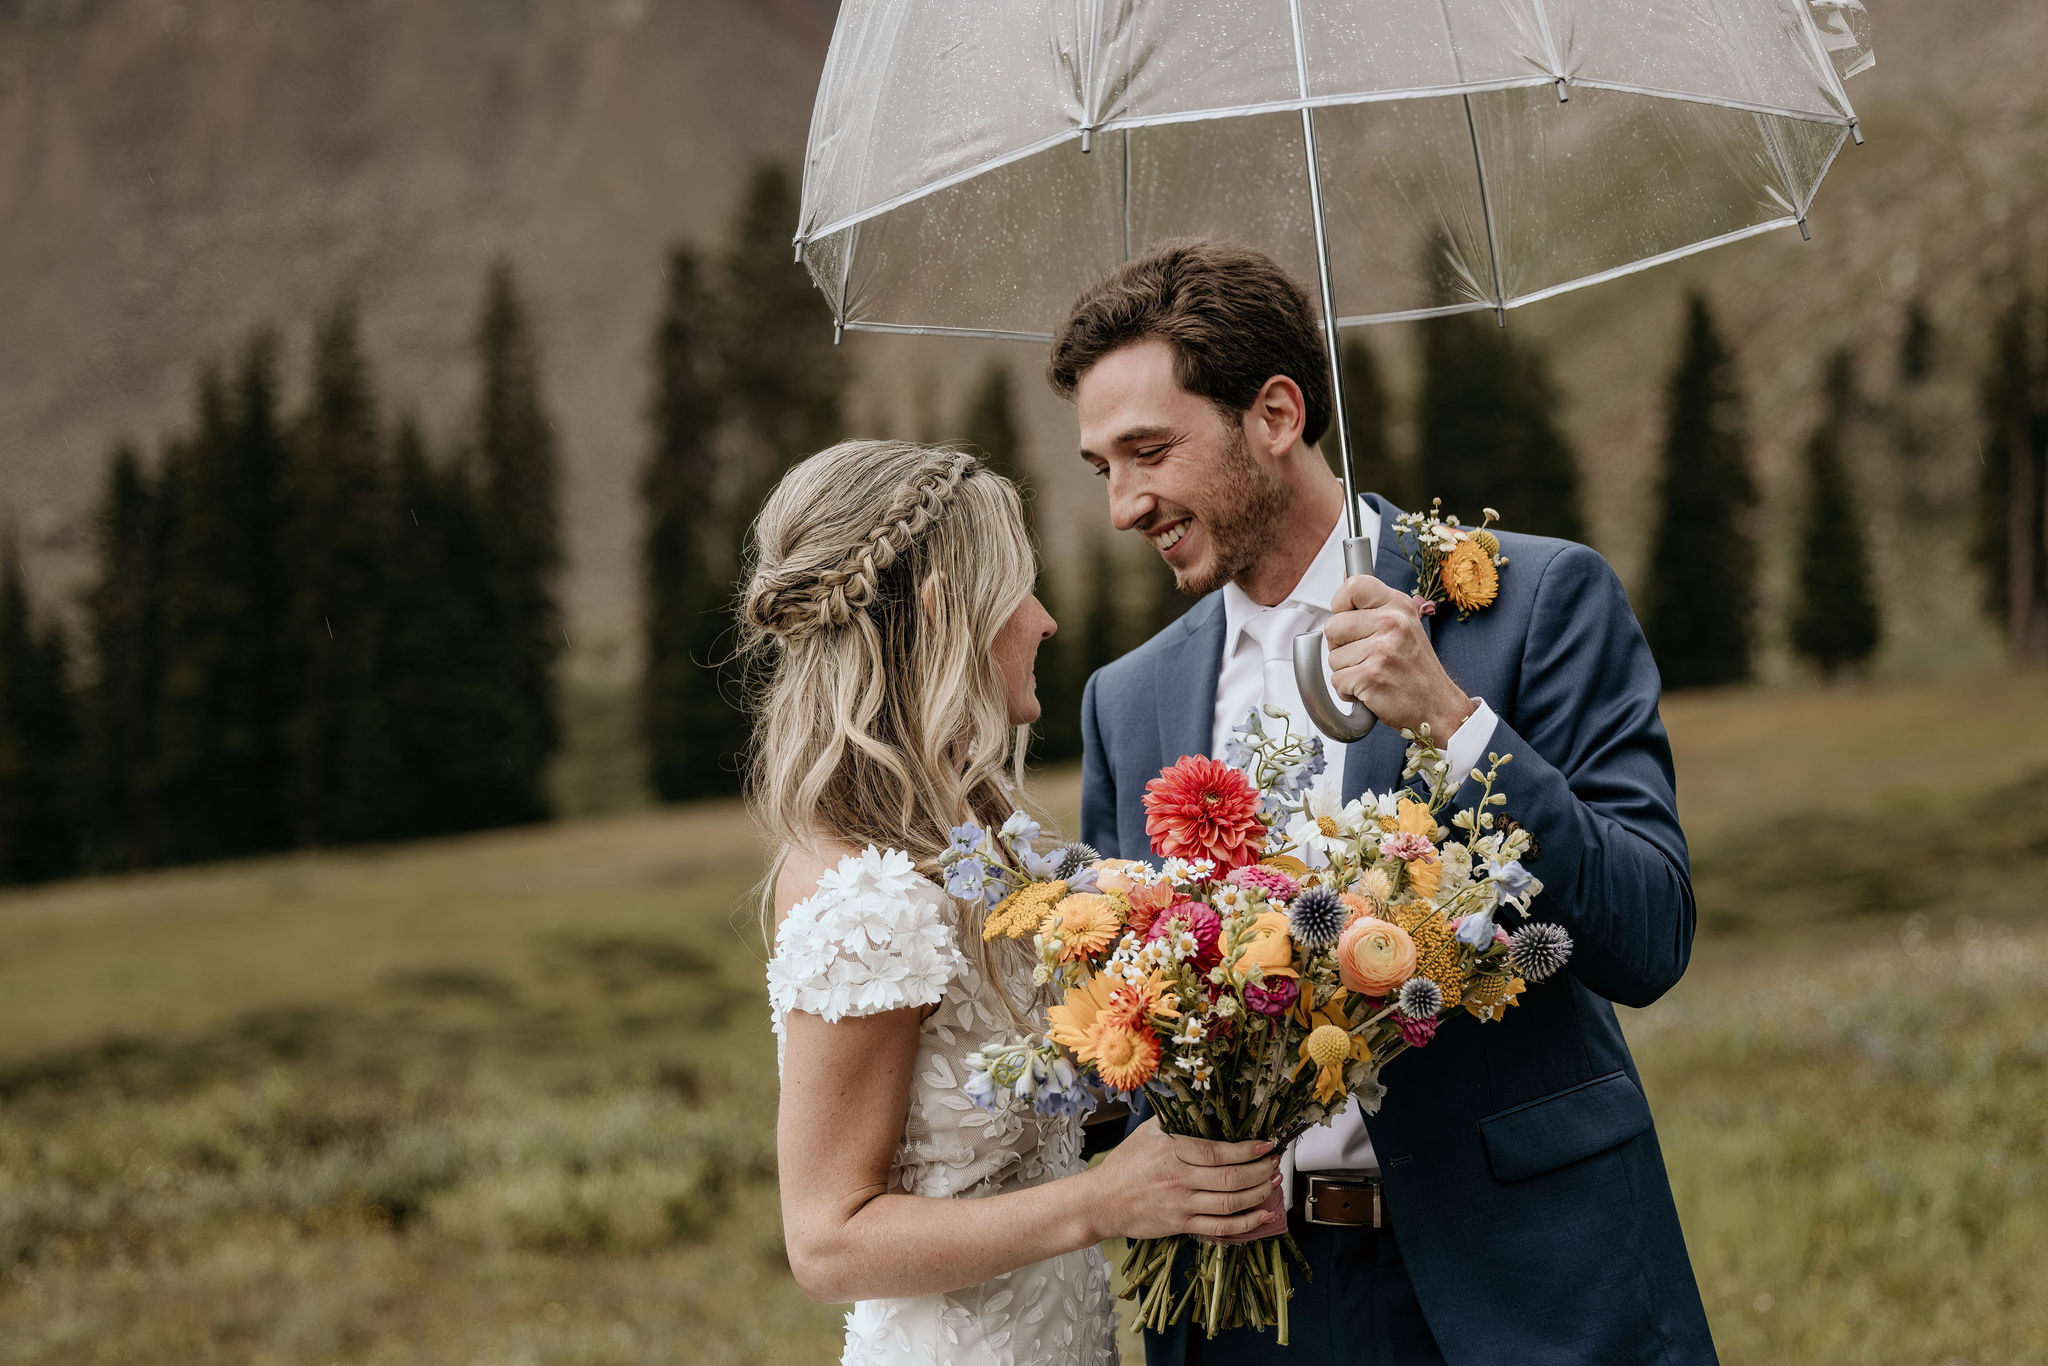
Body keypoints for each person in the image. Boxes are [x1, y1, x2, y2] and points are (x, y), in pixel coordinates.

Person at [1054, 242, 1718, 1366]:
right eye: (1100, 467)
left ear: (1275, 412)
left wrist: (1453, 724)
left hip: (1530, 1281)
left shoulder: (1537, 600)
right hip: (1254, 1311)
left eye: (1148, 451)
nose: (1124, 506)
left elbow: (1647, 935)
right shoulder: (1126, 700)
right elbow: (1121, 1040)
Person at [750, 438, 1286, 1365]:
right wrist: (1104, 1200)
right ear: (941, 613)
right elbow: (828, 1242)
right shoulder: (868, 900)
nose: (1043, 620)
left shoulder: (979, 843)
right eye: (1017, 593)